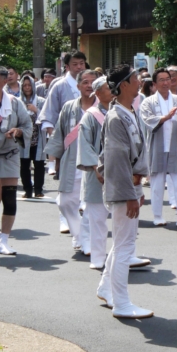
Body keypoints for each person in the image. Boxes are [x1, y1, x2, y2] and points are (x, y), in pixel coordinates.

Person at [95, 65, 152, 318]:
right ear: (124, 85)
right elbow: (116, 158)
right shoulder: (118, 116)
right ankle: (121, 303)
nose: (139, 81)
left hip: (129, 184)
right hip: (123, 187)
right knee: (124, 247)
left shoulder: (125, 111)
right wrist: (130, 193)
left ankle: (106, 289)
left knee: (121, 244)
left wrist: (134, 188)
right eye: (135, 78)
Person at [0, 65, 33, 256]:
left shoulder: (14, 103)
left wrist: (18, 132)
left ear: (4, 81)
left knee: (9, 199)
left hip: (9, 155)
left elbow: (27, 125)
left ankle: (3, 240)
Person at [45, 69, 96, 254]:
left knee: (91, 204)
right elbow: (59, 133)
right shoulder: (69, 107)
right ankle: (79, 235)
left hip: (95, 163)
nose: (89, 85)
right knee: (65, 202)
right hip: (72, 159)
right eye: (85, 82)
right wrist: (55, 159)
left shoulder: (104, 108)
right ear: (78, 85)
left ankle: (86, 241)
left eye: (93, 82)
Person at [139, 69, 177, 228]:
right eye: (161, 80)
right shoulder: (148, 102)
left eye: (167, 79)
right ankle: (157, 216)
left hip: (175, 144)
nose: (165, 83)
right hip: (157, 146)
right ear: (154, 84)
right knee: (157, 182)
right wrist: (165, 118)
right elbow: (148, 120)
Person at [75, 76, 112, 270]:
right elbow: (85, 144)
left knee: (124, 219)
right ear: (97, 93)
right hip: (96, 172)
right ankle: (98, 257)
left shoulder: (121, 111)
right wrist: (96, 167)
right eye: (108, 88)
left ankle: (125, 255)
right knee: (97, 219)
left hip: (118, 171)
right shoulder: (91, 115)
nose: (112, 91)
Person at [17, 74, 46, 200]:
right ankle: (27, 190)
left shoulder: (41, 101)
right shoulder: (17, 102)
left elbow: (46, 117)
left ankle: (38, 190)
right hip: (24, 138)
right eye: (24, 85)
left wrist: (36, 110)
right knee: (24, 165)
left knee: (39, 164)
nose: (27, 87)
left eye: (29, 85)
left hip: (38, 137)